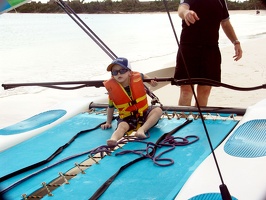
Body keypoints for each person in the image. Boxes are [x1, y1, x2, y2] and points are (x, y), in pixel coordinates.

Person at [174, 0, 243, 107]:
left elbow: (225, 22)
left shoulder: (221, 1)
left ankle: (198, 122)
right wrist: (186, 13)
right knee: (186, 90)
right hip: (189, 47)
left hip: (211, 48)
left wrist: (236, 42)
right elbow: (182, 8)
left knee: (205, 91)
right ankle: (184, 120)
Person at [101, 57, 163, 147]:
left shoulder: (136, 78)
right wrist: (108, 122)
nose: (118, 74)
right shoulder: (112, 91)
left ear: (130, 72)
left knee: (158, 110)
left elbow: (143, 75)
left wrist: (150, 81)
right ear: (112, 75)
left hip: (144, 113)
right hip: (127, 118)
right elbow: (110, 108)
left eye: (122, 70)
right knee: (121, 127)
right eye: (115, 72)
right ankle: (113, 139)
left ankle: (142, 130)